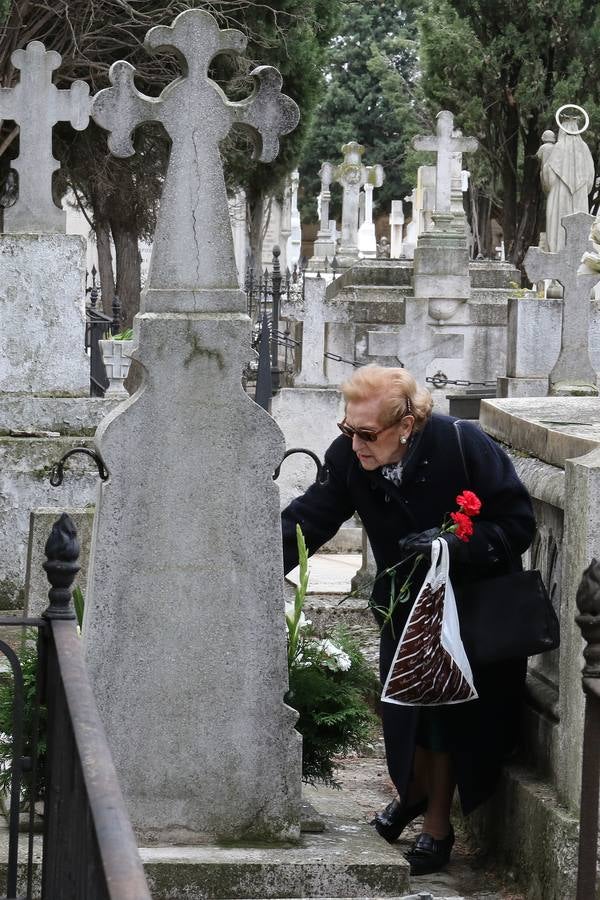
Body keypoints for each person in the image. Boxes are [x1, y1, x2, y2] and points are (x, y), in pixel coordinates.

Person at [281, 365, 536, 876]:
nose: (356, 445)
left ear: (408, 424)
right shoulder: (351, 456)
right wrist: (243, 565)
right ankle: (414, 794)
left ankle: (437, 825)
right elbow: (311, 518)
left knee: (442, 717)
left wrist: (455, 544)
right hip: (404, 606)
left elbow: (517, 524)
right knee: (402, 712)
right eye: (347, 431)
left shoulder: (464, 446)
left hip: (472, 610)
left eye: (368, 434)